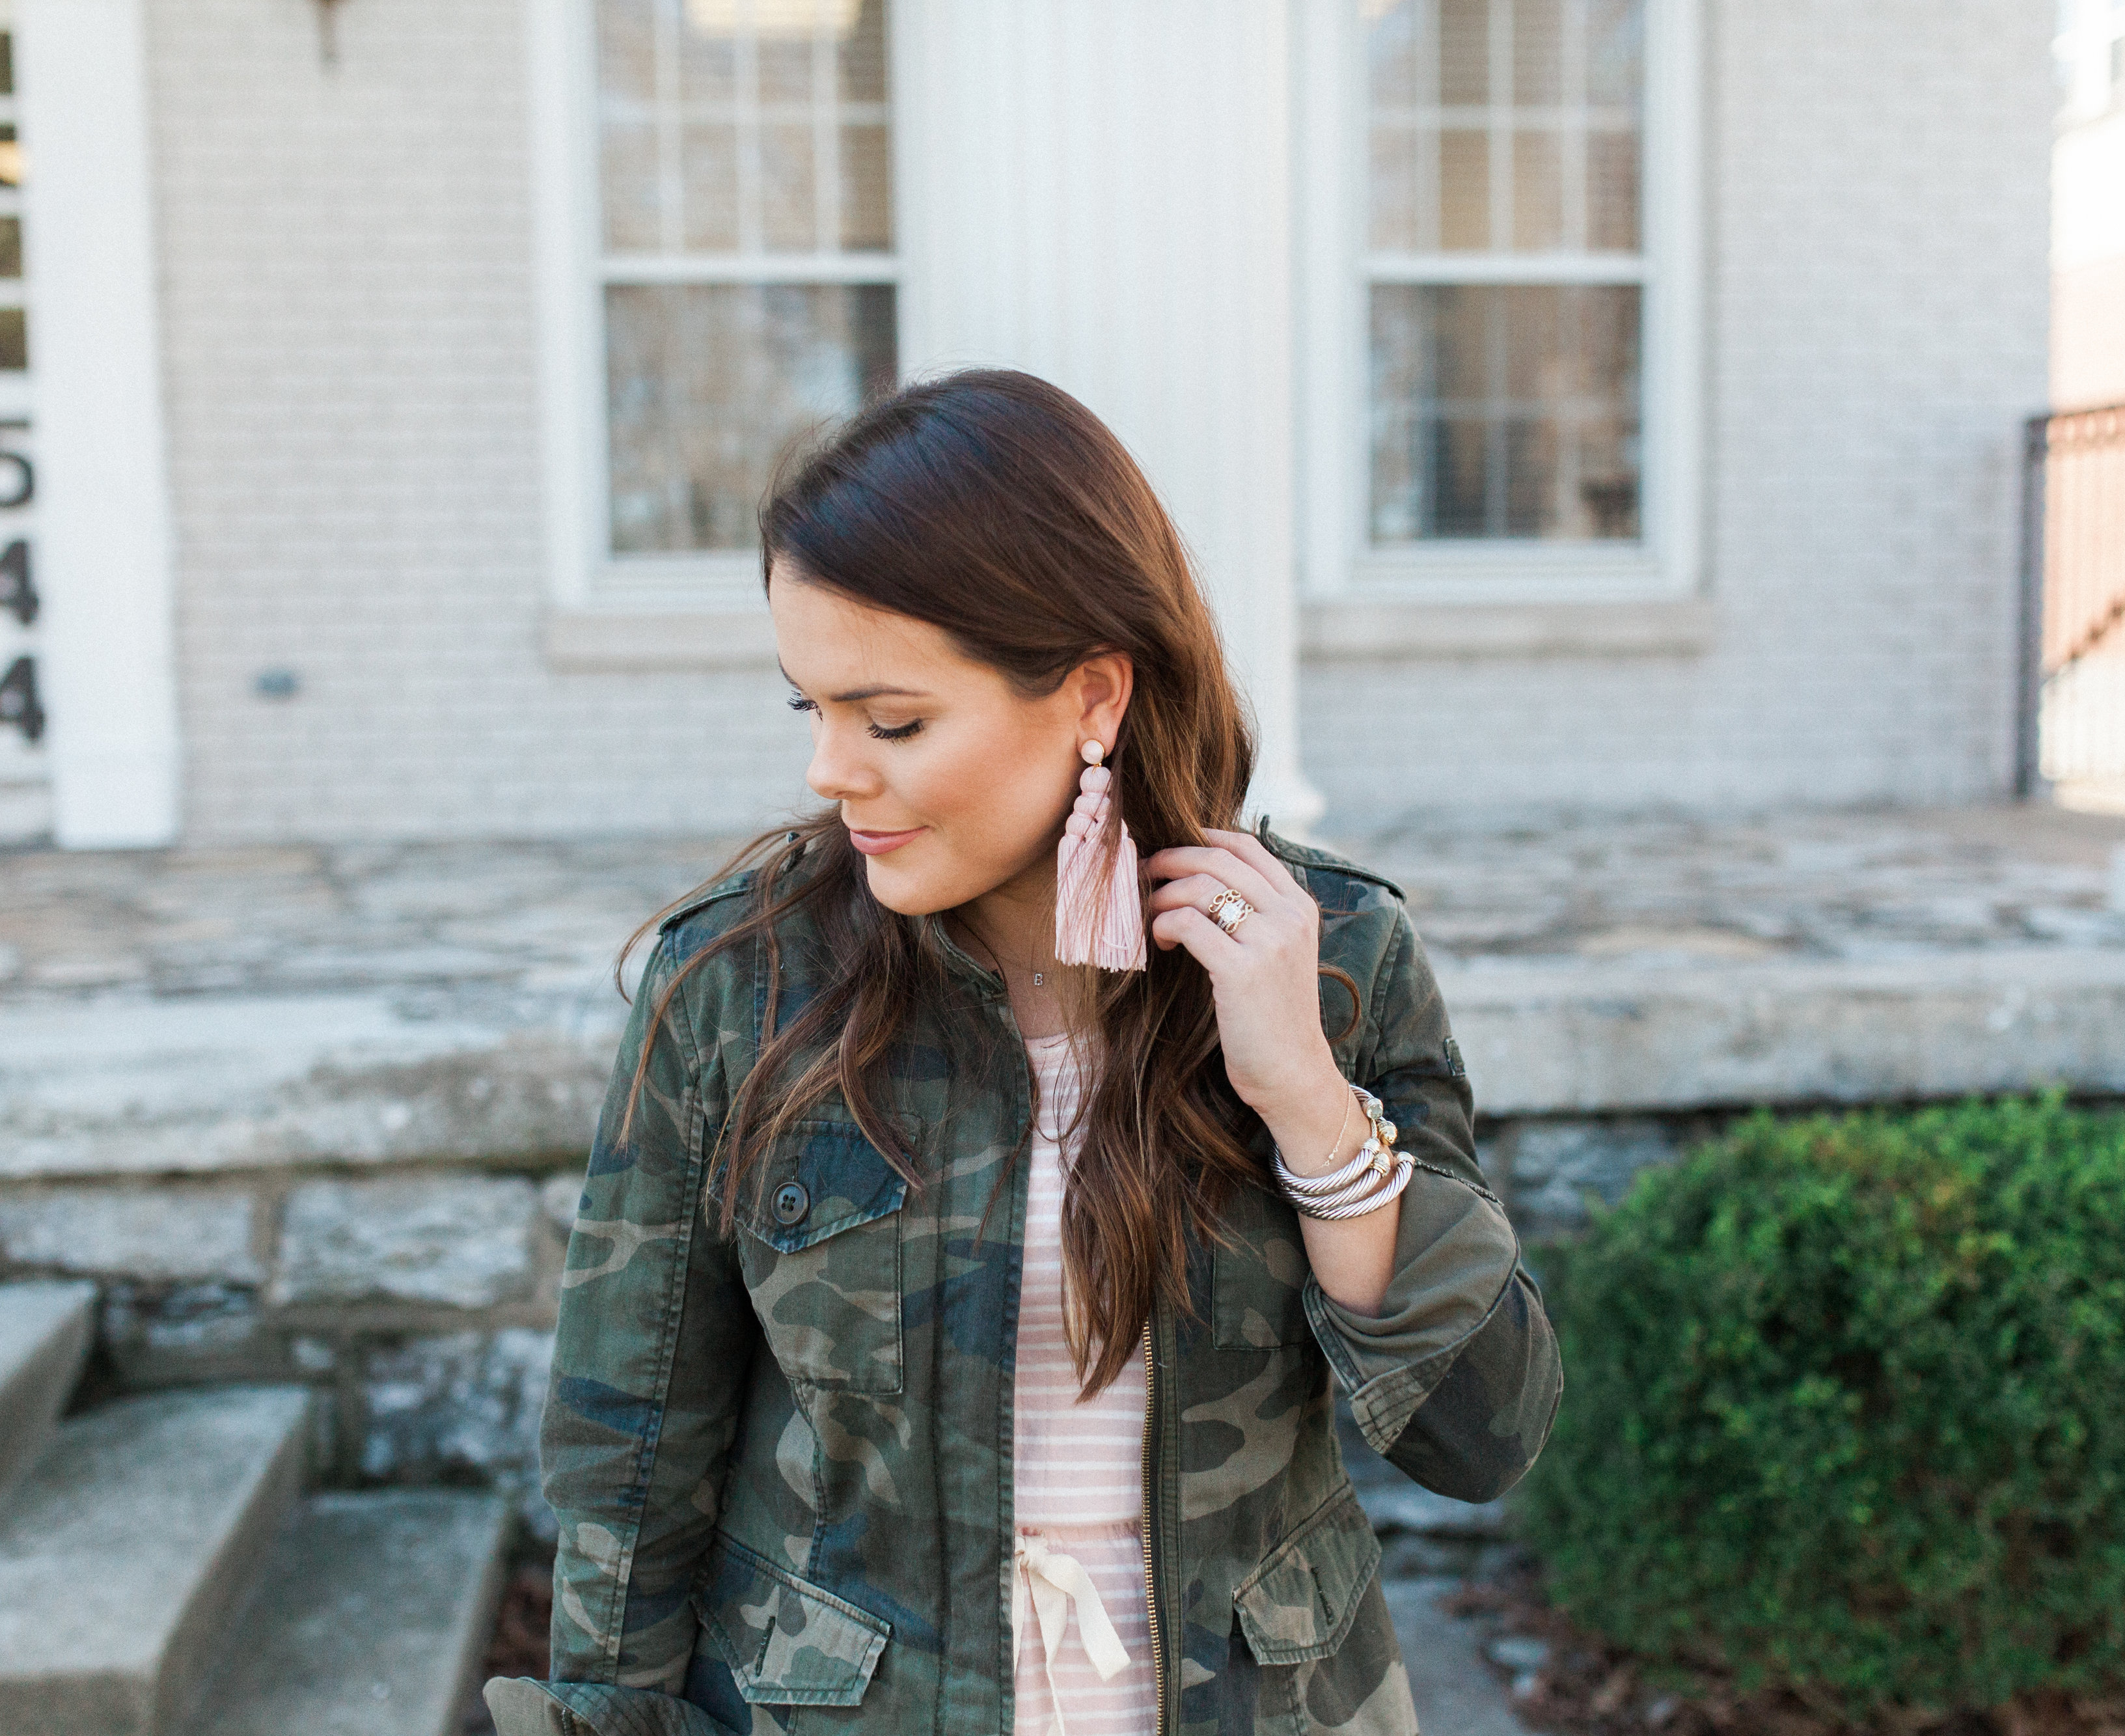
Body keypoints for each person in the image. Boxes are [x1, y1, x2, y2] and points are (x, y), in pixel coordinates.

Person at [484, 369, 1560, 1736]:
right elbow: (629, 1460)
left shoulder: (1330, 956)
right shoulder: (737, 992)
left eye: (890, 721)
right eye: (806, 708)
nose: (829, 768)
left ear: (1091, 696)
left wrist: (1304, 1096)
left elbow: (1482, 1434)